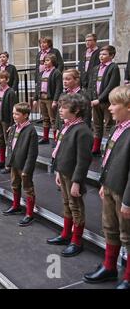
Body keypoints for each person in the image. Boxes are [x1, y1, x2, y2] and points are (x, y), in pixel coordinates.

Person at [83, 86, 130, 289]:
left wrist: (128, 201)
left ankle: (128, 276)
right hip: (110, 186)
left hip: (124, 192)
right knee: (110, 228)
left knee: (127, 234)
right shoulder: (116, 128)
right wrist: (103, 183)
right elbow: (108, 159)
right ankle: (109, 267)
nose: (109, 108)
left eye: (114, 104)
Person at [49, 94, 93, 257]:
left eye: (64, 107)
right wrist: (58, 171)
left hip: (74, 176)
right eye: (60, 106)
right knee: (66, 203)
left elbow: (83, 160)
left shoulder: (82, 131)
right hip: (64, 172)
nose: (60, 110)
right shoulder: (67, 126)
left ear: (76, 110)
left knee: (76, 207)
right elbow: (61, 150)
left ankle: (76, 241)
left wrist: (77, 181)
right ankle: (66, 234)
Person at [3, 103, 38, 227]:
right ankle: (16, 206)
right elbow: (10, 146)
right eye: (13, 113)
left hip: (24, 166)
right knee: (14, 185)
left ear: (26, 115)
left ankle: (29, 214)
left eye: (17, 114)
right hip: (14, 163)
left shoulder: (31, 130)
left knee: (28, 188)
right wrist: (8, 162)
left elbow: (32, 153)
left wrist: (27, 169)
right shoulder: (14, 128)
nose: (14, 116)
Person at [88, 45, 121, 156]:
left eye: (104, 54)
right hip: (95, 102)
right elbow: (91, 85)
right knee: (97, 125)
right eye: (100, 54)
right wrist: (91, 98)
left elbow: (111, 85)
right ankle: (96, 148)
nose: (101, 56)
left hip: (106, 102)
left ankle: (108, 148)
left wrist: (100, 99)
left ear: (111, 56)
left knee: (109, 125)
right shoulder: (96, 68)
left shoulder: (113, 67)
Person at [0, 70, 18, 173]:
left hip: (7, 120)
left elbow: (13, 108)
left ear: (7, 80)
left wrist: (12, 124)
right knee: (0, 140)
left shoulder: (10, 92)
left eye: (2, 78)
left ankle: (9, 163)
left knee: (8, 141)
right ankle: (2, 160)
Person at [34, 53, 63, 144]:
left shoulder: (56, 72)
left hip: (50, 99)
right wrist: (35, 98)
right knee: (45, 118)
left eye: (47, 60)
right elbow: (38, 86)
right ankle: (45, 138)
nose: (45, 62)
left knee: (53, 119)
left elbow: (59, 87)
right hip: (42, 98)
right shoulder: (42, 73)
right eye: (44, 61)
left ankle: (55, 139)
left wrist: (55, 100)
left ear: (53, 61)